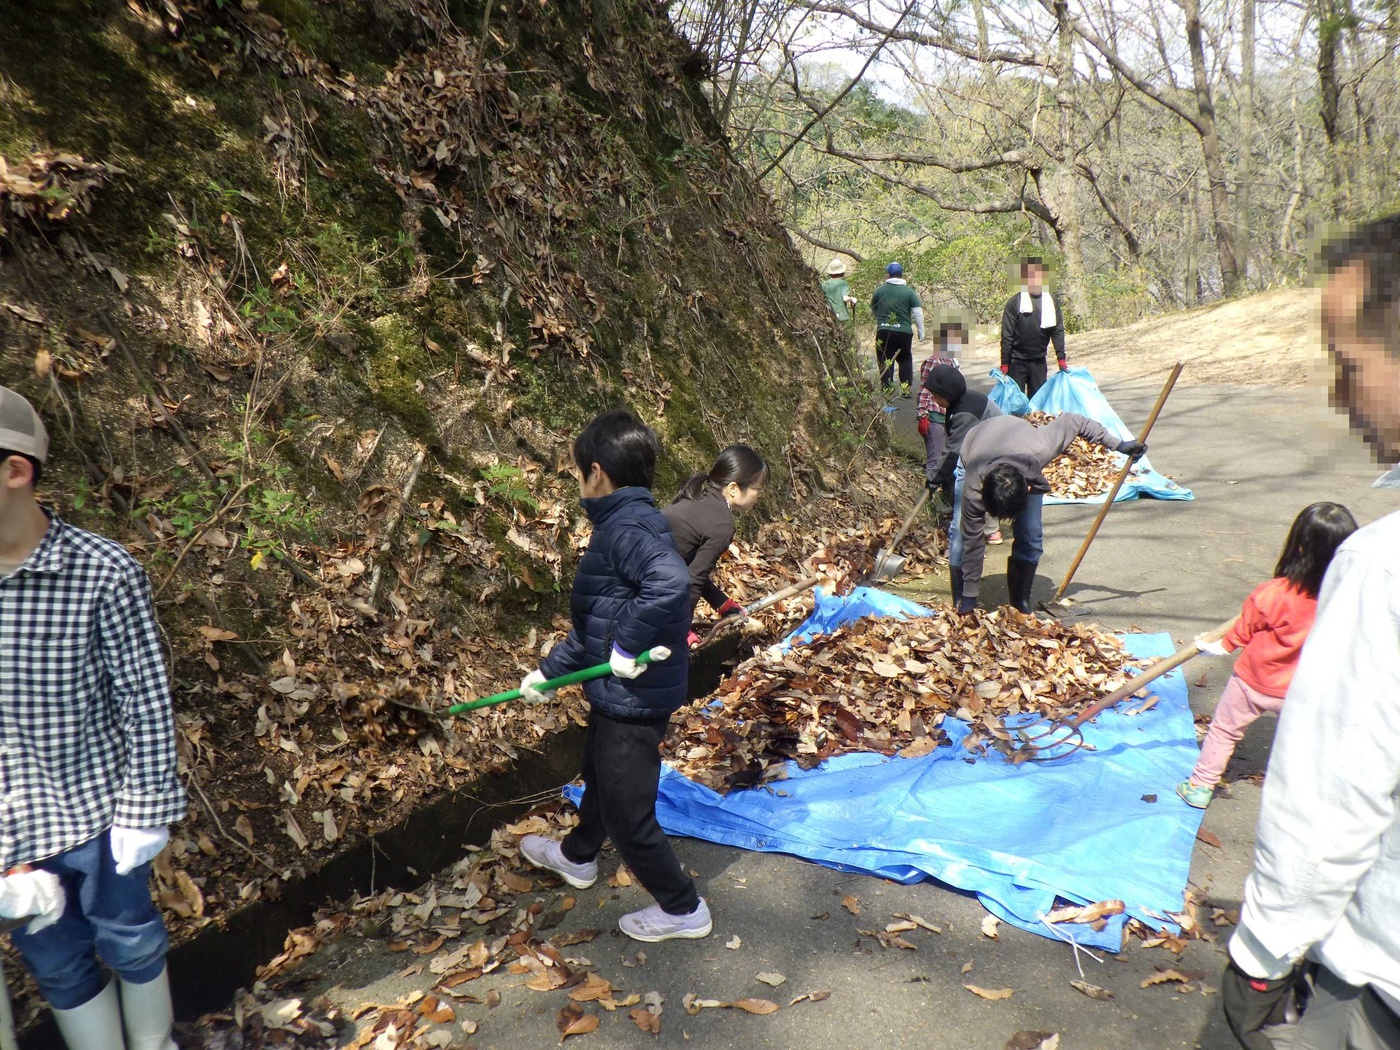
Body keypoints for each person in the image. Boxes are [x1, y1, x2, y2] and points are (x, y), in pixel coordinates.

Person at [1222, 213, 1400, 1049]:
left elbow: (1331, 797)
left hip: (1378, 983)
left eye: (1348, 365)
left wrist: (1260, 955)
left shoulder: (1379, 568)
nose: (1337, 395)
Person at [0, 386, 187, 1050]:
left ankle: (155, 1043)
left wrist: (144, 809)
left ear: (14, 470)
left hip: (101, 815)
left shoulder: (101, 572)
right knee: (57, 965)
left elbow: (145, 698)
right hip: (13, 837)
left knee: (131, 939)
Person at [515, 410, 710, 943]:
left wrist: (627, 644)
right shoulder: (633, 521)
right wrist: (547, 673)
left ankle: (682, 908)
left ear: (596, 472)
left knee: (627, 811)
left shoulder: (623, 529)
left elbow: (669, 584)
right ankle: (577, 856)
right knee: (599, 778)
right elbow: (595, 625)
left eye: (578, 472)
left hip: (634, 697)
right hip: (619, 693)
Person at [1176, 502, 1357, 810]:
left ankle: (1200, 786)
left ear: (1299, 546)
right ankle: (1300, 796)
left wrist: (1220, 645)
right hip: (1302, 688)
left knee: (1224, 731)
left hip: (1252, 681)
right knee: (1300, 741)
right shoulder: (1346, 599)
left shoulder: (1273, 593)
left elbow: (1243, 630)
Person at [952, 413, 1145, 614]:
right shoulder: (974, 485)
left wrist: (1118, 444)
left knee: (1030, 532)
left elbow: (1074, 421)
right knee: (960, 533)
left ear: (1027, 488)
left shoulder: (1042, 447)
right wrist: (970, 596)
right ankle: (961, 597)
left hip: (1020, 446)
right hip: (975, 446)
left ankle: (1019, 601)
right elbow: (973, 541)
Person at [662, 445, 769, 645]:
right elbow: (693, 578)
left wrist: (722, 603)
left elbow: (690, 565)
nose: (759, 495)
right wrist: (680, 629)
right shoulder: (722, 525)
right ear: (733, 489)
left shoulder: (699, 497)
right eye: (758, 489)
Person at [921, 364, 1004, 572]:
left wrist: (933, 478)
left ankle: (976, 542)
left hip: (997, 451)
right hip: (985, 448)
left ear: (949, 392)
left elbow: (952, 452)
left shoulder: (966, 411)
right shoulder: (961, 401)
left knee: (971, 492)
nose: (935, 401)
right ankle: (988, 531)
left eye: (937, 396)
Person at [1000, 257, 1066, 397]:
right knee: (1016, 402)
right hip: (1016, 361)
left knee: (1038, 402)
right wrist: (1004, 363)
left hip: (1039, 362)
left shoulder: (1051, 301)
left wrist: (1061, 358)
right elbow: (1007, 335)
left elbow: (1057, 332)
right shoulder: (1015, 302)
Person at [870, 262, 924, 396]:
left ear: (888, 274)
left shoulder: (879, 291)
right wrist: (921, 331)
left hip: (884, 331)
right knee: (905, 359)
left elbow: (874, 309)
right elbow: (917, 312)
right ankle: (905, 389)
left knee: (884, 359)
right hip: (904, 332)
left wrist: (881, 321)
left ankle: (887, 390)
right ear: (901, 274)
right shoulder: (909, 292)